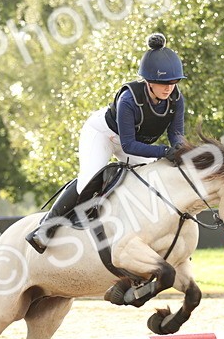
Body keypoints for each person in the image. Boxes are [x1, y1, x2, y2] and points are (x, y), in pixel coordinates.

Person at [25, 32, 187, 253]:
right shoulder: (129, 99)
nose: (168, 88)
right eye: (162, 82)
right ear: (148, 81)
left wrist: (178, 147)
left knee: (157, 177)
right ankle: (45, 228)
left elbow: (176, 132)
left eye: (173, 82)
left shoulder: (176, 99)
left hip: (133, 141)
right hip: (103, 133)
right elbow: (128, 145)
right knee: (89, 178)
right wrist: (163, 150)